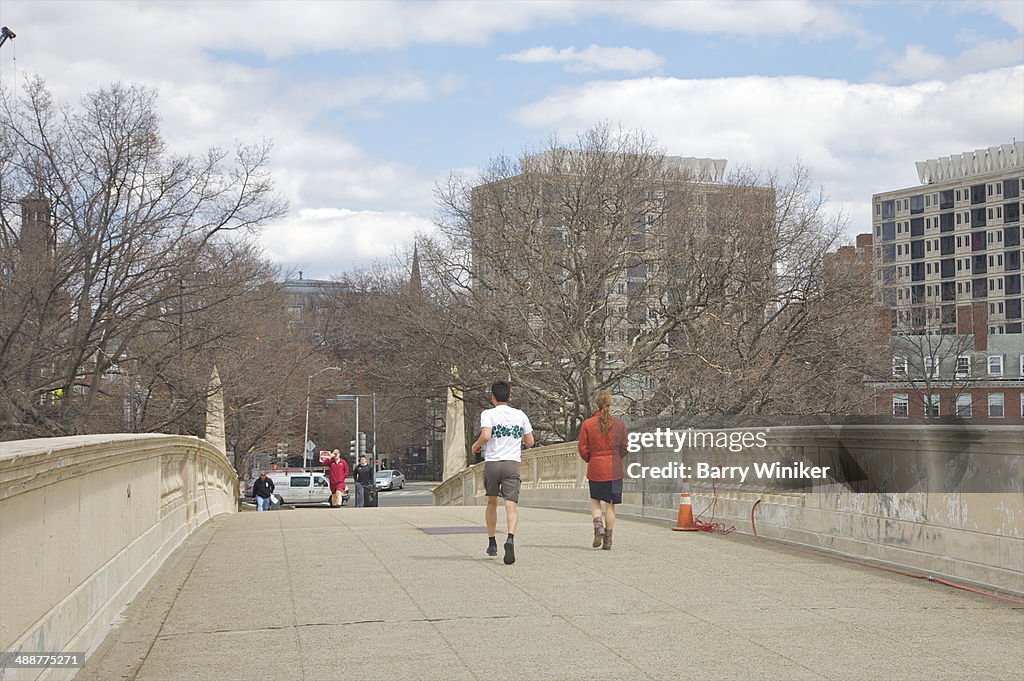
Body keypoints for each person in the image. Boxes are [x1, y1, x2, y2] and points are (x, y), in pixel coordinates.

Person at [471, 380, 534, 565]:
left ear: (493, 397)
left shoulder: (488, 414)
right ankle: (510, 538)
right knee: (511, 504)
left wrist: (475, 446)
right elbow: (530, 441)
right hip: (511, 463)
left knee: (491, 502)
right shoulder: (520, 415)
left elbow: (486, 436)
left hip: (492, 463)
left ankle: (492, 542)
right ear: (510, 397)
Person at [577, 390, 628, 550]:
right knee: (611, 505)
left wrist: (591, 459)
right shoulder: (619, 424)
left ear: (596, 404)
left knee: (595, 500)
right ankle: (608, 540)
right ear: (610, 404)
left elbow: (582, 448)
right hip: (614, 468)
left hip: (596, 467)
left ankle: (598, 527)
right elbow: (625, 447)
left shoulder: (588, 424)